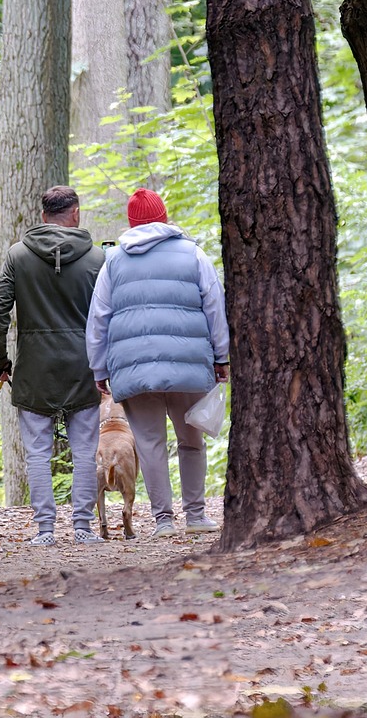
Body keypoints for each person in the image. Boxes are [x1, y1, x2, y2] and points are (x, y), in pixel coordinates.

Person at [85, 188, 230, 539]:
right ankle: (195, 515)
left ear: (132, 223)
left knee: (149, 445)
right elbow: (215, 306)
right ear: (164, 218)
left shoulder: (114, 262)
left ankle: (163, 520)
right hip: (189, 365)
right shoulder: (193, 254)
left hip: (133, 368)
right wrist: (222, 356)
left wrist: (99, 367)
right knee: (191, 438)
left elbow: (98, 318)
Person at [0, 186, 106, 546]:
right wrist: (107, 365)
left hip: (34, 366)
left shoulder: (17, 255)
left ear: (43, 216)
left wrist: (0, 364)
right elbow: (107, 317)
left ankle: (45, 530)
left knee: (37, 452)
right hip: (83, 365)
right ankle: (83, 527)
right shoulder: (98, 258)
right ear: (76, 214)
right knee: (85, 450)